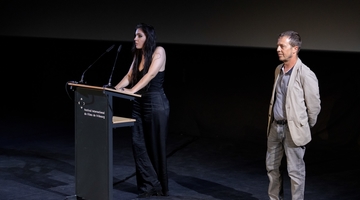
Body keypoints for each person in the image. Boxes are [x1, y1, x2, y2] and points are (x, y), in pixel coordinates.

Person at [115, 23, 170, 198]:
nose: (135, 39)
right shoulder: (139, 54)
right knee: (138, 145)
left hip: (155, 104)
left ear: (148, 37)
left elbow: (150, 75)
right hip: (139, 105)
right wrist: (114, 90)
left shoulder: (159, 51)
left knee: (154, 146)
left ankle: (158, 186)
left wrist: (132, 90)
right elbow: (129, 76)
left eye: (139, 36)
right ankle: (148, 185)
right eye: (135, 35)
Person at [266, 31, 321, 200]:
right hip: (276, 127)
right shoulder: (278, 70)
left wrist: (303, 126)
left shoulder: (305, 74)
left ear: (295, 49)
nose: (278, 49)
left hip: (293, 130)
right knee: (272, 168)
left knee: (295, 172)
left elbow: (314, 106)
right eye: (277, 45)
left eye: (282, 46)